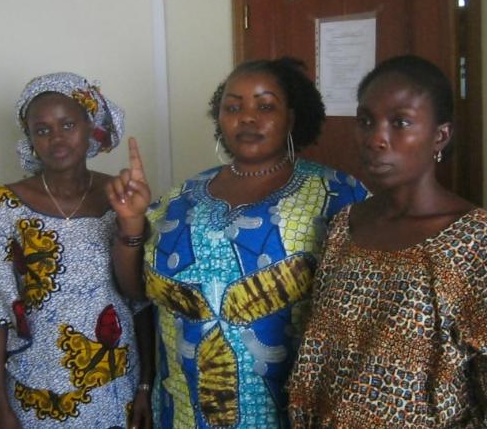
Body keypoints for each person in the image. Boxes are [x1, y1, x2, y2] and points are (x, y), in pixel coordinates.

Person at [107, 57, 368, 428]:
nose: (247, 118)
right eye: (233, 107)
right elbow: (137, 291)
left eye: (265, 106)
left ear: (291, 118)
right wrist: (131, 222)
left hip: (291, 411)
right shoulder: (180, 198)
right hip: (185, 410)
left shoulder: (338, 195)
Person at [288, 55, 487, 427]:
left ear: (440, 136)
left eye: (400, 122)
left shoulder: (480, 241)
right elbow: (319, 358)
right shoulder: (345, 226)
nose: (376, 139)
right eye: (366, 121)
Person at [0, 72, 152, 428]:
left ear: (90, 127)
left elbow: (141, 301)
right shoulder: (7, 205)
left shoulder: (120, 196)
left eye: (68, 124)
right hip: (35, 391)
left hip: (116, 387)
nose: (56, 138)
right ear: (30, 139)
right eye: (42, 130)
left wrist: (146, 384)